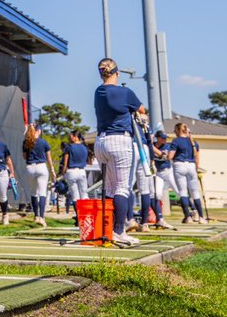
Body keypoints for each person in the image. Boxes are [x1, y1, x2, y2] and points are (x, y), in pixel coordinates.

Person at [92, 58, 143, 247]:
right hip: (120, 140)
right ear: (117, 72)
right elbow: (142, 110)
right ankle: (119, 230)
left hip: (100, 142)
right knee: (123, 187)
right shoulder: (125, 92)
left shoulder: (98, 91)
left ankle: (109, 228)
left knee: (111, 189)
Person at [167, 121, 208, 224]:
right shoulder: (194, 142)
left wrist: (165, 155)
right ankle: (201, 217)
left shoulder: (176, 141)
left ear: (178, 130)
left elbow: (170, 156)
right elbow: (197, 158)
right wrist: (196, 168)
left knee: (183, 192)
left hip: (179, 165)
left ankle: (188, 217)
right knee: (195, 193)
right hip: (192, 166)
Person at [22, 122, 55, 227]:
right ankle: (41, 217)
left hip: (30, 167)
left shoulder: (26, 142)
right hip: (41, 167)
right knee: (42, 193)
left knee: (33, 193)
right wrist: (53, 171)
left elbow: (24, 157)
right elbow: (49, 159)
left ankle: (36, 216)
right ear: (39, 131)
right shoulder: (44, 142)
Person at [150, 127, 178, 230]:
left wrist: (153, 148)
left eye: (165, 138)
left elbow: (164, 156)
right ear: (157, 138)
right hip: (157, 173)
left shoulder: (167, 146)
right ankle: (160, 218)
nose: (165, 140)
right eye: (163, 138)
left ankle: (193, 211)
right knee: (157, 195)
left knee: (178, 191)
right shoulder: (151, 146)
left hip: (167, 171)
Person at [61, 130, 90, 223]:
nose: (70, 138)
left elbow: (65, 161)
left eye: (71, 136)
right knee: (84, 194)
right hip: (82, 171)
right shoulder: (84, 147)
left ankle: (79, 217)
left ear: (75, 137)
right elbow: (88, 161)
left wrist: (63, 172)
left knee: (75, 196)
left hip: (71, 171)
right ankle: (86, 216)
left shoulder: (69, 147)